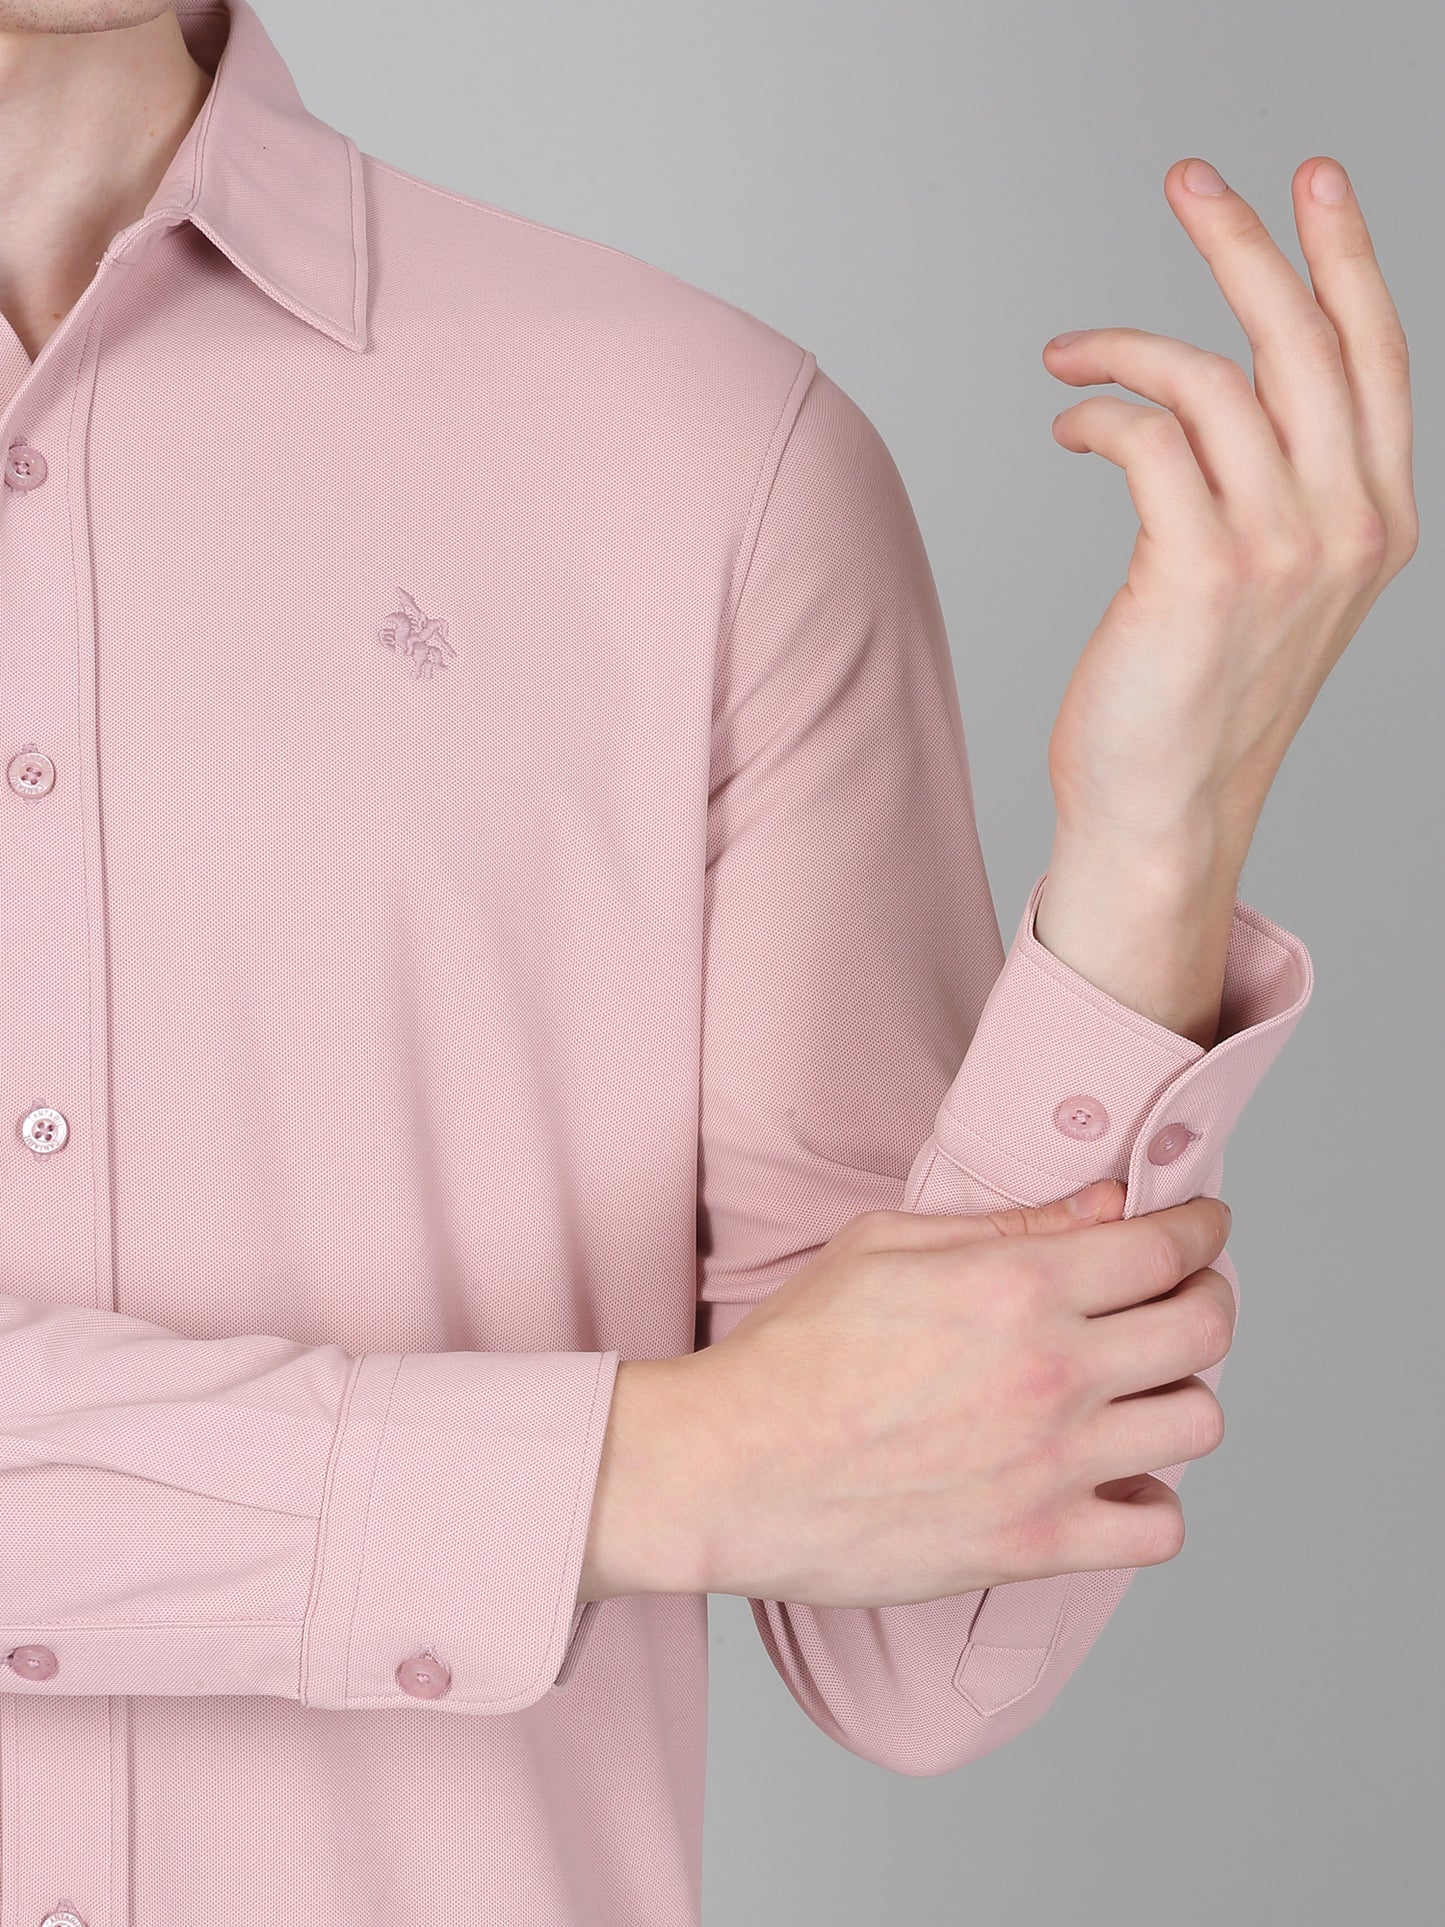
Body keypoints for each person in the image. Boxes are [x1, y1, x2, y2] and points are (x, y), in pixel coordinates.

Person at [0, 3, 1415, 1925]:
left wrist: (1154, 851)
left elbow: (919, 1645)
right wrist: (645, 1474)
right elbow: (753, 1472)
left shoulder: (703, 456)